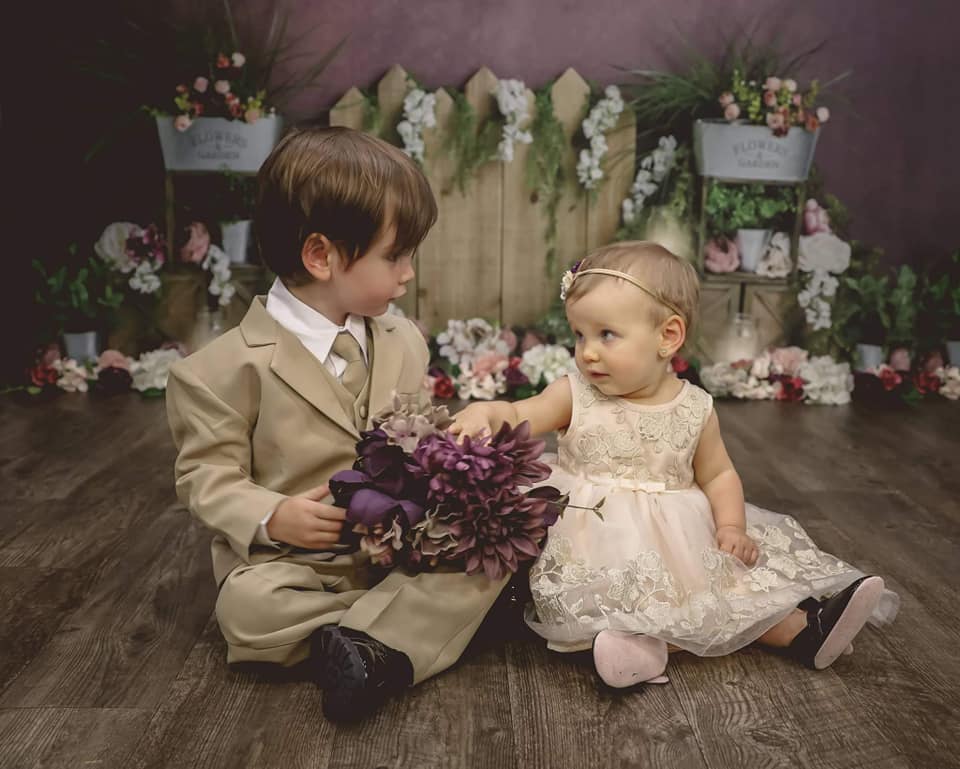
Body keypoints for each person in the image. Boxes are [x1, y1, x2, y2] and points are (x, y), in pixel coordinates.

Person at [166, 126, 508, 720]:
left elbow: (417, 436)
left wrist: (451, 469)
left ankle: (370, 642)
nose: (407, 274)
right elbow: (205, 477)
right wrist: (274, 515)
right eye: (395, 255)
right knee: (246, 610)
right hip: (297, 567)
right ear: (321, 255)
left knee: (496, 546)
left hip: (402, 551)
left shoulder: (404, 341)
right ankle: (406, 633)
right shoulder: (218, 370)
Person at [451, 241, 898, 687]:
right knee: (608, 602)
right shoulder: (575, 394)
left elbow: (719, 473)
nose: (587, 352)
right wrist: (488, 413)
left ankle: (806, 629)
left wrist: (732, 527)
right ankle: (639, 649)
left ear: (668, 336)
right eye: (579, 335)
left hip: (676, 538)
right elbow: (519, 414)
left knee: (726, 592)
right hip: (590, 535)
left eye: (606, 335)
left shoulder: (695, 408)